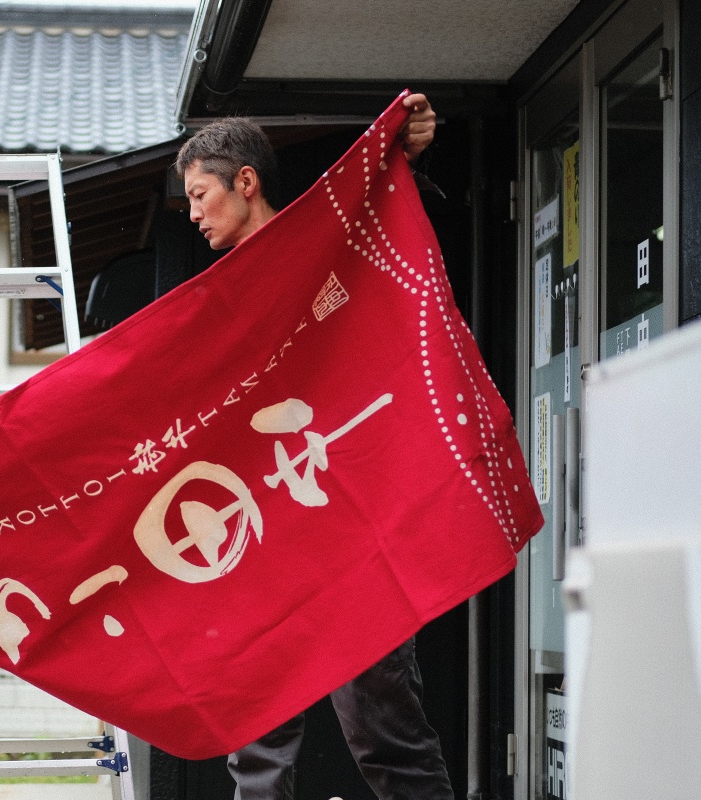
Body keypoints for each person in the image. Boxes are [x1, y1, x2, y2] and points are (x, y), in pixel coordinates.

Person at [175, 95, 454, 800]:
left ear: (246, 182)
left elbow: (384, 215)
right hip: (262, 533)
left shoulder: (330, 246)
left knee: (384, 724)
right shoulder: (211, 298)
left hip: (348, 524)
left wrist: (404, 153)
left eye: (200, 194)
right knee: (260, 741)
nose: (193, 213)